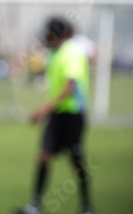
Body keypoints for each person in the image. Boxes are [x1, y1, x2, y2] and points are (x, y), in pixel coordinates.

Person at [18, 17, 94, 214]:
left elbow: (70, 85)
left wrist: (44, 108)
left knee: (76, 158)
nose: (46, 36)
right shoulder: (55, 53)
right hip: (57, 114)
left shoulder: (73, 52)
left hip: (72, 113)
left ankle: (87, 206)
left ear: (57, 33)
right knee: (43, 156)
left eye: (49, 32)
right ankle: (35, 205)